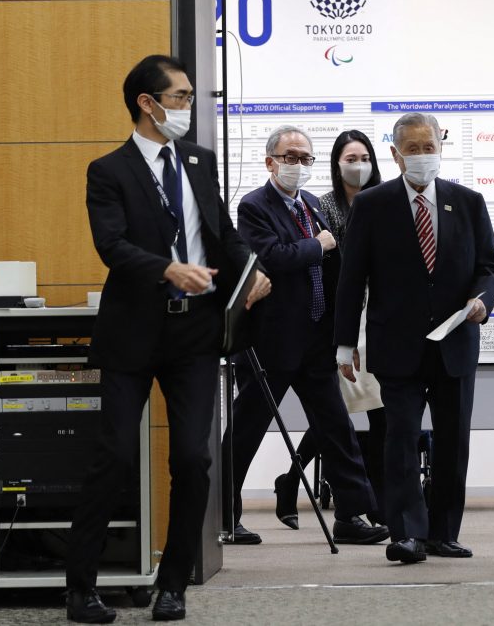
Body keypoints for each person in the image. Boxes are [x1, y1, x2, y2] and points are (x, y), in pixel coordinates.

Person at [66, 54, 271, 623]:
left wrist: (252, 270)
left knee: (193, 457)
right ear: (147, 104)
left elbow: (221, 233)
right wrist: (166, 268)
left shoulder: (199, 162)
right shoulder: (108, 171)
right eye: (179, 96)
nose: (188, 106)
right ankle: (80, 588)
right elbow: (111, 246)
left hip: (196, 333)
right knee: (112, 456)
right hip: (133, 332)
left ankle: (172, 583)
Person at [334, 112, 494, 563]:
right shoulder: (372, 204)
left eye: (429, 147)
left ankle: (443, 532)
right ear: (395, 154)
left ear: (440, 148)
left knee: (452, 441)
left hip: (455, 345)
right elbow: (352, 279)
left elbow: (489, 268)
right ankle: (406, 533)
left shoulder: (469, 202)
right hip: (397, 346)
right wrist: (344, 344)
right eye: (413, 149)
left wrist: (482, 299)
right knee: (401, 439)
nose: (423, 156)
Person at [221, 125, 387, 547]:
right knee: (247, 432)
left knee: (336, 427)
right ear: (270, 161)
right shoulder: (254, 206)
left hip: (315, 338)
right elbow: (272, 257)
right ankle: (224, 515)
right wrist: (318, 244)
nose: (298, 165)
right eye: (289, 157)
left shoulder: (312, 204)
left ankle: (351, 514)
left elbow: (331, 268)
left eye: (305, 158)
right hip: (270, 343)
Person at [272, 129, 388, 529]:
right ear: (336, 164)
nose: (358, 166)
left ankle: (376, 504)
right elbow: (327, 268)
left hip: (381, 319)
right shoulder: (322, 206)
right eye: (349, 158)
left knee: (377, 413)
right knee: (337, 416)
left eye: (364, 158)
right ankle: (293, 481)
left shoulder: (386, 202)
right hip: (343, 321)